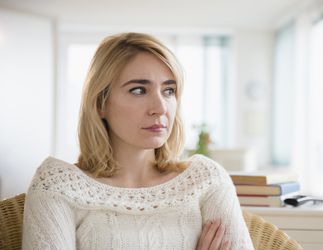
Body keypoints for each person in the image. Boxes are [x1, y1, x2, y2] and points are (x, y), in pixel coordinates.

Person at [22, 32, 254, 250]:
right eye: (139, 90)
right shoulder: (56, 185)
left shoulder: (206, 179)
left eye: (169, 90)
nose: (160, 108)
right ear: (100, 103)